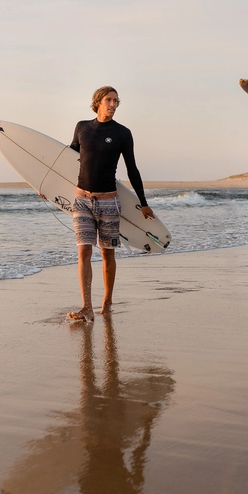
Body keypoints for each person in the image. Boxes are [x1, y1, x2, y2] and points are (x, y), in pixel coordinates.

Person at [61, 86, 154, 321]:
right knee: (84, 250)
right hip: (82, 200)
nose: (113, 104)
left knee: (107, 253)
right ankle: (86, 307)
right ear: (98, 102)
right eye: (109, 100)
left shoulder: (122, 133)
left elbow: (132, 169)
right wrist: (49, 188)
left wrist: (143, 203)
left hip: (109, 201)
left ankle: (107, 302)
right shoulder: (82, 127)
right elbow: (68, 159)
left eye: (116, 101)